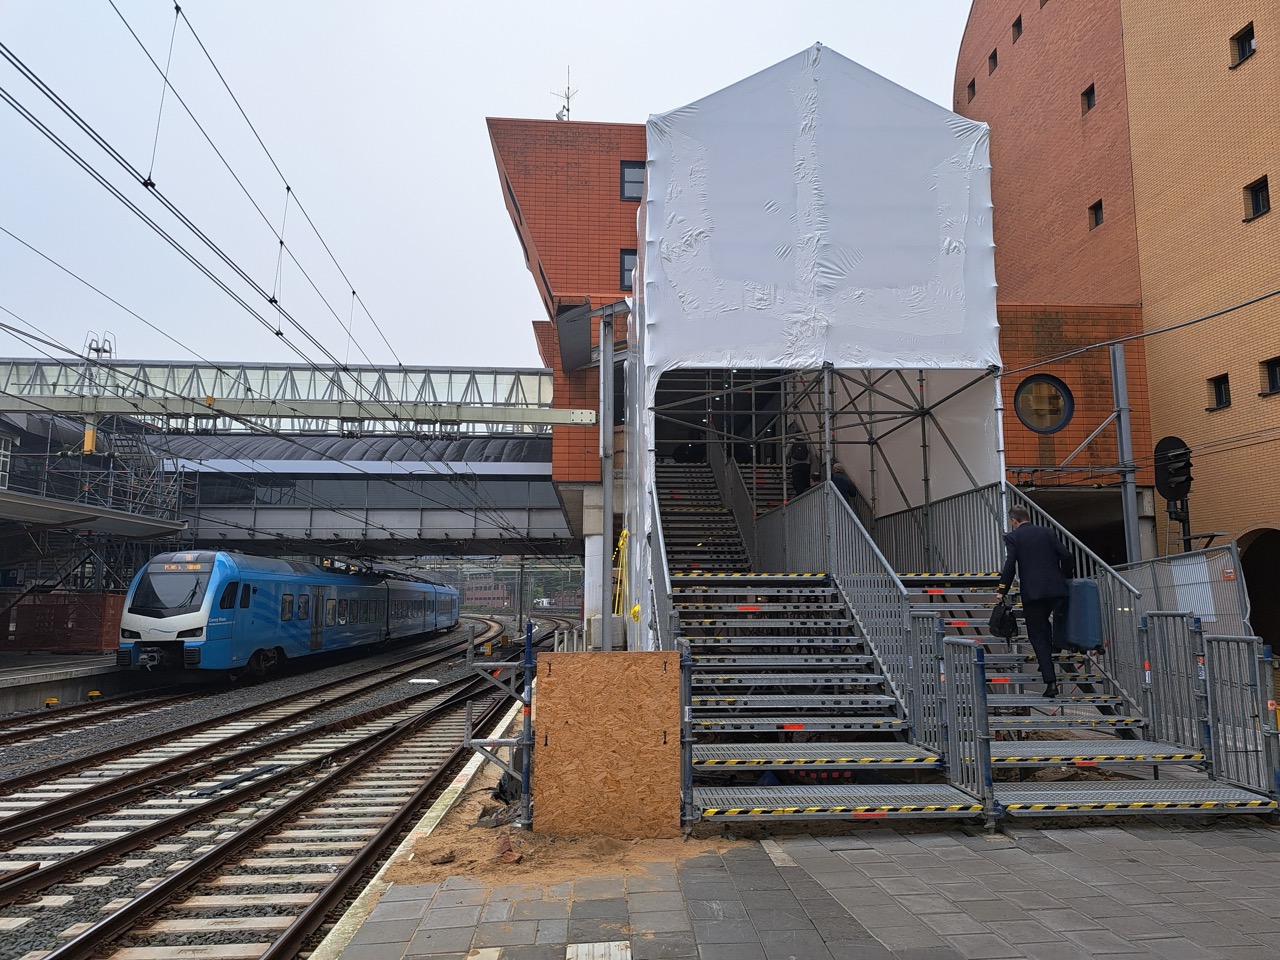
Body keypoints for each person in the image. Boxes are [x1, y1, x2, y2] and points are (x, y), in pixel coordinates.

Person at [996, 503, 1075, 698]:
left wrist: (1002, 589)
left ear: (1014, 521)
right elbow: (1066, 555)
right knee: (1049, 622)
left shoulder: (1014, 537)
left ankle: (1051, 683)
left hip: (1033, 593)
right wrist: (1065, 577)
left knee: (1037, 635)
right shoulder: (1047, 532)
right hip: (1056, 589)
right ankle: (1052, 650)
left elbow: (1010, 565)